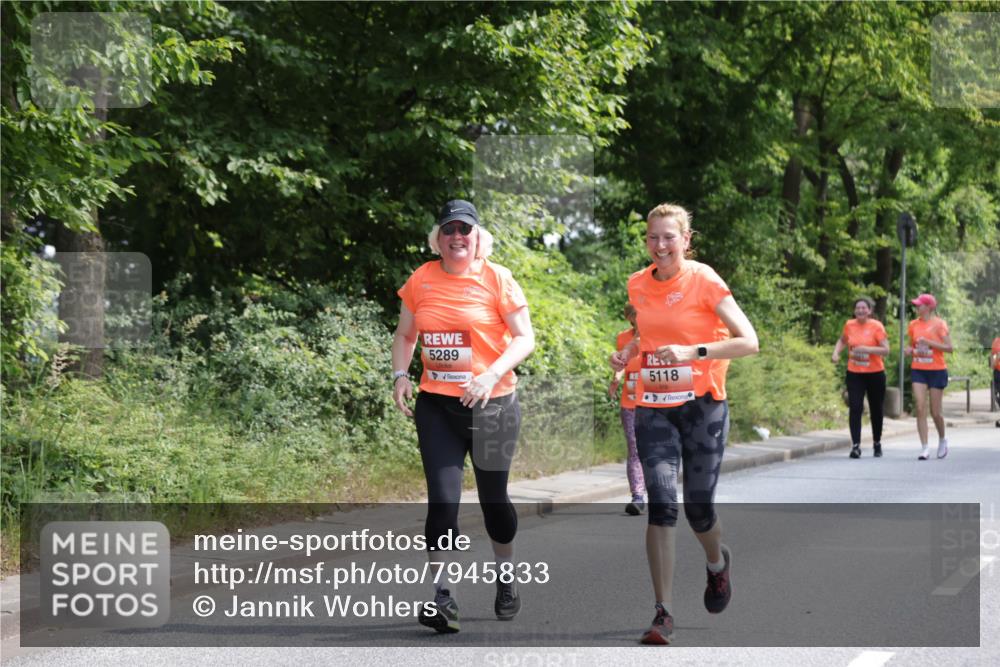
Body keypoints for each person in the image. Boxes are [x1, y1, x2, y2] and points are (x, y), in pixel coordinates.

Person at [609, 203, 759, 645]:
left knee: (698, 508)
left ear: (685, 240)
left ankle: (717, 564)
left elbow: (749, 342)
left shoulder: (705, 279)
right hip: (653, 403)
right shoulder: (637, 284)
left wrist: (694, 353)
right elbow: (646, 336)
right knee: (660, 502)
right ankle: (663, 612)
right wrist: (629, 354)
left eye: (669, 237)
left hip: (703, 405)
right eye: (653, 238)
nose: (660, 245)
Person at [391, 199, 535, 633]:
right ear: (438, 238)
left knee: (495, 505)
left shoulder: (497, 277)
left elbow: (524, 338)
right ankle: (443, 597)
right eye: (449, 229)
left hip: (493, 406)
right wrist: (401, 373)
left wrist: (490, 375)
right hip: (437, 405)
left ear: (478, 239)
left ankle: (505, 577)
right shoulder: (421, 278)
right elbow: (405, 334)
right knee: (442, 503)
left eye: (465, 230)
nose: (457, 237)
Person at [831, 297, 890, 458]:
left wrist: (867, 349)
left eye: (864, 308)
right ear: (854, 310)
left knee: (876, 409)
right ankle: (855, 445)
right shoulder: (850, 325)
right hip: (855, 373)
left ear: (869, 311)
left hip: (875, 373)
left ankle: (877, 442)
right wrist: (836, 352)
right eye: (858, 308)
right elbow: (842, 341)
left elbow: (886, 350)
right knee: (855, 407)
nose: (860, 310)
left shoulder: (877, 326)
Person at [904, 293, 953, 460]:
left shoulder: (939, 324)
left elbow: (949, 348)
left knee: (935, 412)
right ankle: (924, 447)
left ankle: (942, 439)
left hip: (937, 370)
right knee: (919, 407)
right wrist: (909, 350)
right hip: (918, 369)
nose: (917, 307)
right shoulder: (913, 325)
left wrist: (930, 343)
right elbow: (912, 345)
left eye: (920, 305)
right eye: (917, 305)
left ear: (929, 307)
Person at [608, 303, 646, 515]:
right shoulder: (624, 337)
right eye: (636, 316)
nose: (641, 319)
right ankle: (638, 496)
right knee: (634, 448)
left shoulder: (659, 334)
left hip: (655, 398)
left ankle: (657, 487)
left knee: (654, 450)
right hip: (630, 397)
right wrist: (615, 378)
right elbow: (621, 364)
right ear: (630, 319)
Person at [991, 336, 1000, 428]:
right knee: (996, 395)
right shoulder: (996, 342)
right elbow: (992, 365)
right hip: (998, 372)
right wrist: (997, 357)